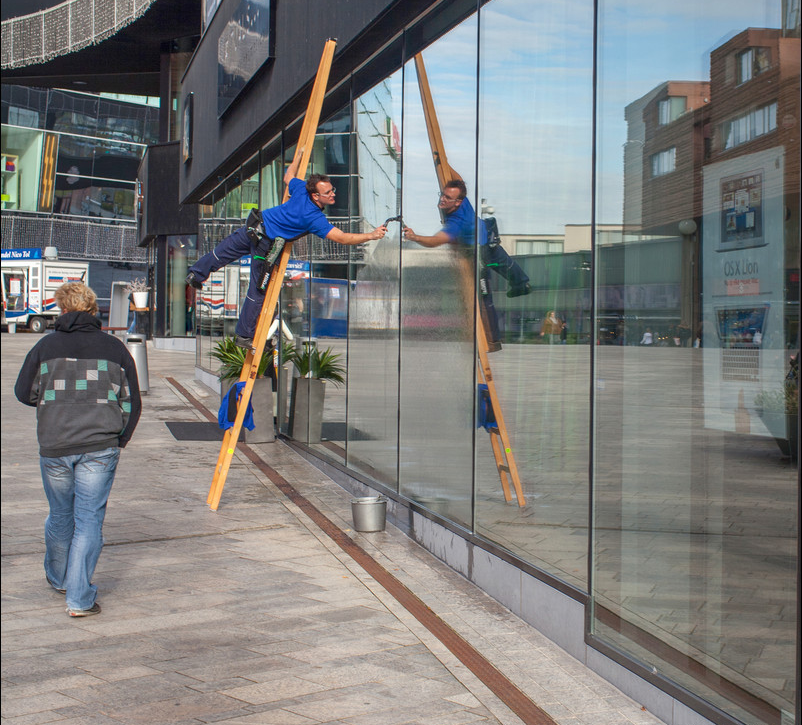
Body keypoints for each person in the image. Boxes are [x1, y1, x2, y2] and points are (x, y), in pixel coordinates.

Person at [14, 280, 141, 618]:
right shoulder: (115, 349)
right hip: (100, 447)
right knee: (88, 522)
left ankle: (59, 579)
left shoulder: (45, 347)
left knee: (59, 515)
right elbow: (132, 403)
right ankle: (79, 599)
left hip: (55, 445)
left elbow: (23, 393)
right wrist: (120, 438)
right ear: (91, 310)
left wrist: (53, 401)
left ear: (63, 309)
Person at [187, 148, 387, 346]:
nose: (333, 194)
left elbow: (288, 175)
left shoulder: (300, 189)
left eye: (332, 189)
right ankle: (244, 335)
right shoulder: (314, 218)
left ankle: (196, 274)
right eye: (328, 192)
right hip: (264, 244)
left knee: (221, 253)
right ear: (316, 196)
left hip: (253, 226)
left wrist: (298, 157)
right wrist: (371, 235)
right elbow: (342, 238)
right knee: (258, 290)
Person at [403, 178, 521, 353]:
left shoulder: (456, 223)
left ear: (458, 202)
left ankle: (492, 341)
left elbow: (436, 241)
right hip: (485, 235)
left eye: (448, 198)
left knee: (483, 296)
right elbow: (452, 175)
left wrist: (415, 237)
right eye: (443, 194)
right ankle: (521, 282)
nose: (443, 199)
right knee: (504, 268)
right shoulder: (462, 200)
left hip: (479, 250)